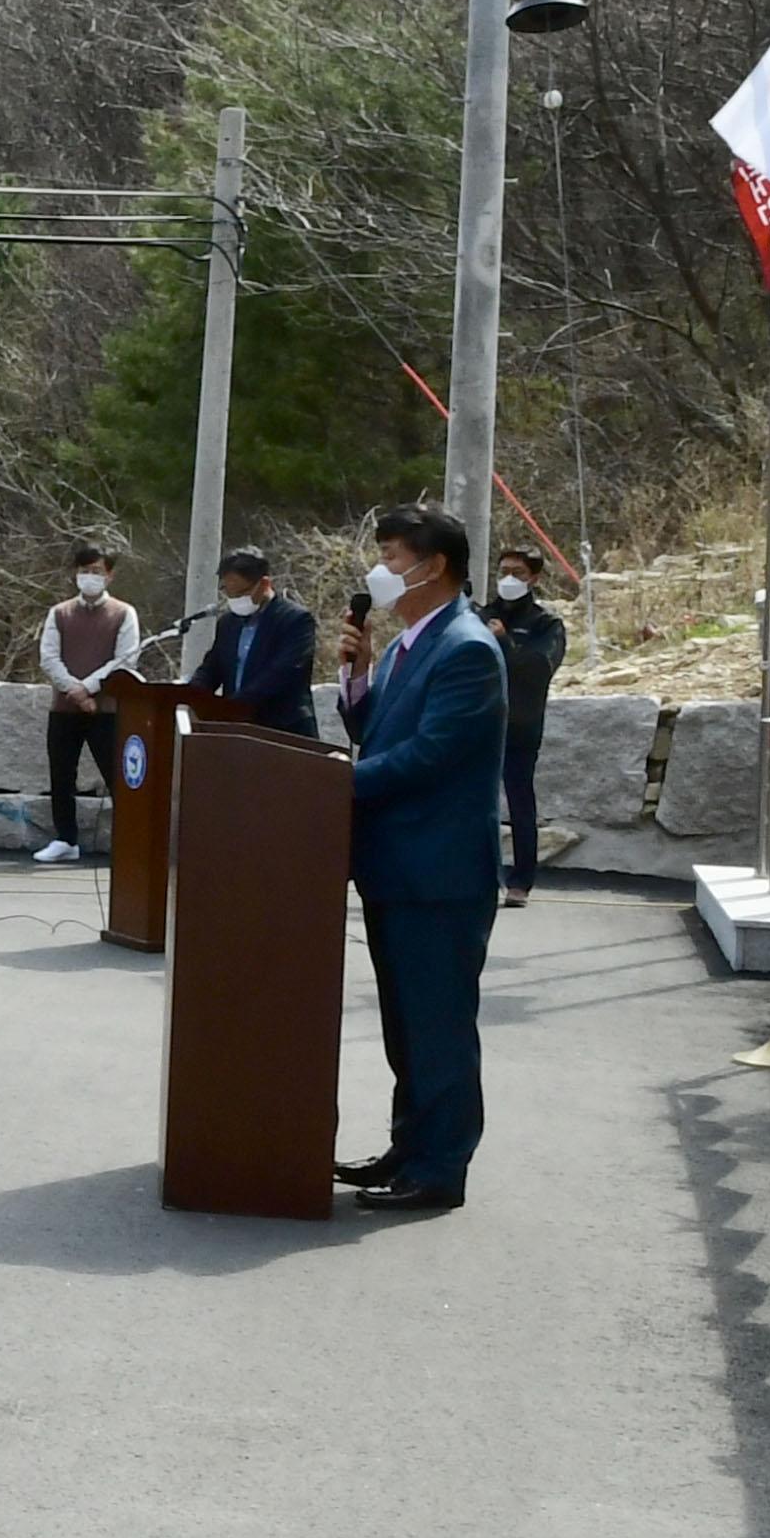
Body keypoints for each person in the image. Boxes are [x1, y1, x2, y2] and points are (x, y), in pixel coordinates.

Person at [333, 503, 509, 1213]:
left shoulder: (466, 647)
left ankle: (440, 1168)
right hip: (397, 870)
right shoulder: (413, 641)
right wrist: (356, 679)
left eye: (394, 555)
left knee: (437, 1026)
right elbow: (379, 733)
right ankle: (410, 1148)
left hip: (439, 875)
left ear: (434, 565)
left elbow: (430, 755)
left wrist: (330, 783)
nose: (382, 570)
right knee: (406, 1026)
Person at [33, 543, 141, 866]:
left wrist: (89, 689)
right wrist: (75, 692)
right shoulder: (60, 613)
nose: (89, 577)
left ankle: (131, 843)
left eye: (96, 571)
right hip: (64, 708)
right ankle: (65, 839)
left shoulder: (124, 613)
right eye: (83, 571)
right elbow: (49, 658)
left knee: (117, 777)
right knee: (62, 775)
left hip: (105, 710)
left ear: (109, 575)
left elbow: (125, 659)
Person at [482, 547, 569, 909]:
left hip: (520, 725)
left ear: (534, 578)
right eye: (504, 571)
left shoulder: (546, 624)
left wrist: (503, 641)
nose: (509, 580)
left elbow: (537, 668)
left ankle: (521, 881)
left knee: (519, 803)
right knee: (473, 802)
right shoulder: (482, 614)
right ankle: (479, 874)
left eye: (518, 573)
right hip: (478, 721)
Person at [188, 547, 319, 739]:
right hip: (237, 731)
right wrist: (190, 697)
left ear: (264, 584)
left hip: (283, 731)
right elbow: (211, 668)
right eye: (228, 593)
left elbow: (281, 673)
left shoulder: (295, 620)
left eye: (240, 593)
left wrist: (232, 708)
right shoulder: (228, 623)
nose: (234, 600)